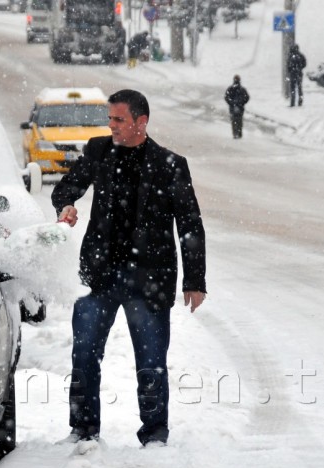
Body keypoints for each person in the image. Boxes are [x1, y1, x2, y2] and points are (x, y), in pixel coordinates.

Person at [51, 89, 207, 447]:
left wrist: (194, 280)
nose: (112, 126)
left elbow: (189, 225)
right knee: (84, 353)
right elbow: (67, 188)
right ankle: (83, 429)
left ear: (141, 122)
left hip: (149, 279)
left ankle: (154, 434)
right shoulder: (99, 151)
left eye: (119, 120)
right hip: (101, 276)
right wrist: (66, 207)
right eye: (110, 119)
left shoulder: (170, 164)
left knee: (150, 361)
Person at [224, 74, 250, 139]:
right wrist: (241, 103)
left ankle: (235, 133)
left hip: (234, 107)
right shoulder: (241, 89)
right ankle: (239, 133)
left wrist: (231, 103)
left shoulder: (231, 88)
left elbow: (227, 97)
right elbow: (246, 97)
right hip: (239, 108)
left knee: (234, 121)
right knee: (239, 121)